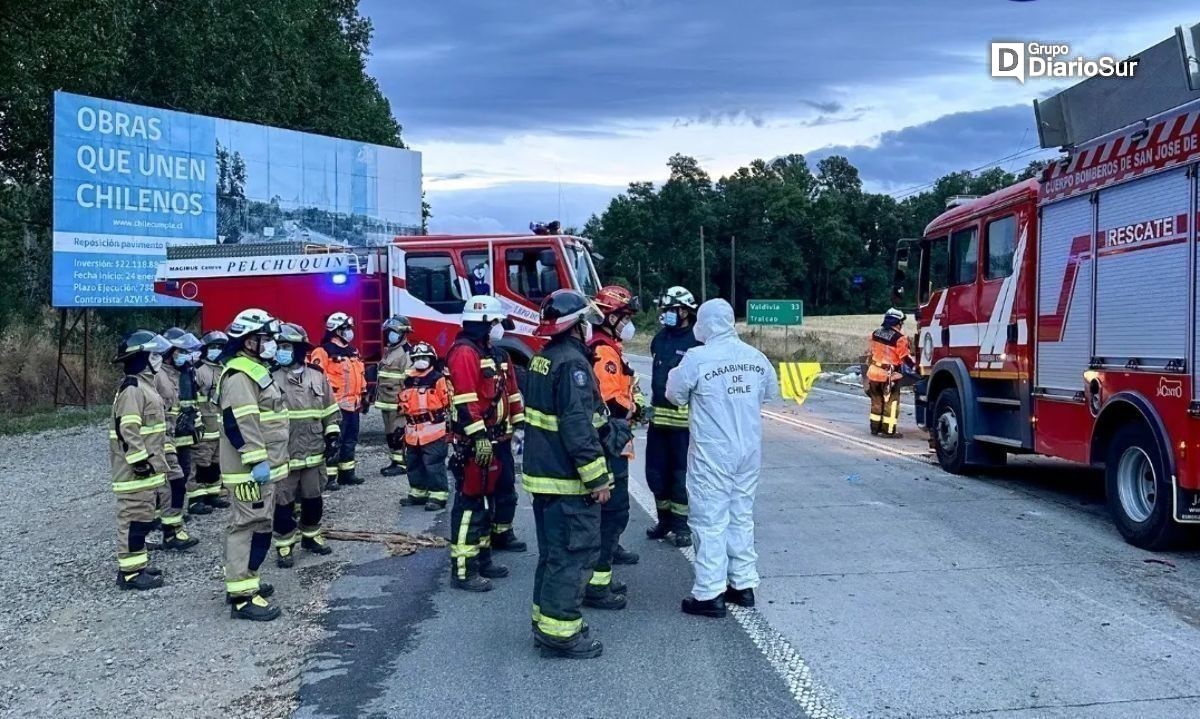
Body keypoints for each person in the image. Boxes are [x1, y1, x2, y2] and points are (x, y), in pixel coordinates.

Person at [666, 299, 777, 618]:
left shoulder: (697, 358)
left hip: (714, 453)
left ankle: (709, 593)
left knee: (709, 520)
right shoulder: (756, 357)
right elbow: (769, 394)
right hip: (748, 451)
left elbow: (674, 395)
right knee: (740, 515)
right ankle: (742, 586)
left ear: (707, 323)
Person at [523, 289, 609, 659]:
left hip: (544, 478)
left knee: (553, 554)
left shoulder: (543, 359)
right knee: (573, 556)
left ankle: (546, 624)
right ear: (577, 325)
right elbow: (578, 427)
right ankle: (562, 635)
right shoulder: (573, 365)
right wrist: (597, 478)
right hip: (567, 481)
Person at [216, 308, 289, 621]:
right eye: (264, 338)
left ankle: (249, 582)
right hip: (249, 470)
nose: (270, 343)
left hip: (263, 466)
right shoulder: (239, 375)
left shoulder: (254, 369)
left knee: (260, 525)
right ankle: (242, 598)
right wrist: (257, 460)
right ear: (248, 341)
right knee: (246, 527)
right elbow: (241, 423)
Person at [444, 295, 517, 591]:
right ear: (484, 323)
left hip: (493, 438)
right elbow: (464, 401)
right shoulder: (464, 353)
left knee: (485, 502)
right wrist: (478, 436)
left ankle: (483, 559)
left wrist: (514, 428)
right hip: (476, 443)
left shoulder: (489, 352)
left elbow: (506, 394)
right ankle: (463, 570)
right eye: (497, 322)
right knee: (469, 504)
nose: (500, 328)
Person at [583, 285, 644, 611]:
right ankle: (597, 584)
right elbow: (609, 403)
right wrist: (631, 410)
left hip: (614, 441)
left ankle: (607, 556)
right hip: (609, 443)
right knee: (612, 512)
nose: (627, 323)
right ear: (609, 316)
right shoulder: (603, 351)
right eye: (624, 317)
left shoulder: (609, 347)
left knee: (613, 513)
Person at [271, 323, 340, 568]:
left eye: (286, 346)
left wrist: (332, 436)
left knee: (313, 499)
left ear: (299, 349)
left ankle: (311, 538)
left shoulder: (317, 376)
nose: (281, 351)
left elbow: (330, 411)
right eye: (279, 346)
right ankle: (284, 546)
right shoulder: (269, 378)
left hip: (314, 453)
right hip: (284, 455)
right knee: (282, 503)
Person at [109, 330, 174, 590]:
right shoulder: (133, 389)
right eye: (154, 355)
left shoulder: (145, 385)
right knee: (134, 520)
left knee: (143, 517)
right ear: (141, 358)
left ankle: (138, 565)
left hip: (145, 471)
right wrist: (139, 462)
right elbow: (128, 429)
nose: (158, 359)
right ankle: (130, 574)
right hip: (134, 473)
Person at [645, 286, 701, 547]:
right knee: (656, 474)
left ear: (684, 311)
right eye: (664, 310)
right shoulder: (660, 338)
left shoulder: (696, 342)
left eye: (670, 310)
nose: (666, 314)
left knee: (679, 478)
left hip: (684, 428)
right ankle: (664, 520)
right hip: (658, 424)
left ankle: (681, 527)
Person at [154, 328, 201, 549]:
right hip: (163, 439)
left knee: (179, 481)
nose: (184, 356)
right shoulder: (158, 375)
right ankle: (171, 532)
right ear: (169, 351)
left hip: (178, 436)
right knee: (173, 483)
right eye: (180, 351)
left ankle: (173, 528)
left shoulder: (180, 372)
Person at [310, 312, 367, 490]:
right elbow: (316, 378)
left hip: (354, 405)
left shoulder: (352, 351)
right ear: (336, 330)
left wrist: (364, 394)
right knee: (334, 441)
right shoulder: (323, 351)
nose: (350, 331)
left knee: (351, 439)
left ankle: (346, 473)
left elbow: (360, 375)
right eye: (346, 328)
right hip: (335, 406)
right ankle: (329, 477)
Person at [397, 341, 451, 511]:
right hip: (412, 432)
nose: (420, 360)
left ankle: (438, 495)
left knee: (433, 464)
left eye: (424, 357)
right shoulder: (408, 380)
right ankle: (418, 493)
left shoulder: (438, 379)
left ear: (431, 359)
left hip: (434, 430)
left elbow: (449, 403)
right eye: (417, 357)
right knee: (413, 463)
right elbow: (401, 405)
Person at [488, 339, 527, 553]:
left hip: (502, 436)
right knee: (482, 491)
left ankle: (503, 532)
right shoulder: (467, 354)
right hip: (482, 438)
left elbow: (512, 392)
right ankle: (483, 539)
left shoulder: (502, 356)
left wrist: (518, 423)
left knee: (506, 486)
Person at [188, 330, 230, 513]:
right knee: (200, 464)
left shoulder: (224, 370)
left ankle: (213, 494)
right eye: (213, 347)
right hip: (203, 428)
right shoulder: (198, 371)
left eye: (220, 347)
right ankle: (196, 499)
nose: (217, 351)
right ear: (205, 349)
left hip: (219, 429)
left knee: (215, 463)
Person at [865, 308, 914, 439]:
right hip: (890, 376)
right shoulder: (900, 339)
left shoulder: (875, 334)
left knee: (876, 401)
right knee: (891, 404)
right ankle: (889, 430)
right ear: (897, 323)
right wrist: (916, 367)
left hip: (873, 373)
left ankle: (875, 428)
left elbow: (870, 353)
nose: (901, 325)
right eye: (901, 323)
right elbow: (905, 358)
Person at [376, 315, 413, 477]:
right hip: (387, 402)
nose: (390, 334)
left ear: (403, 333)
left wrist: (405, 404)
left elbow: (409, 381)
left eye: (394, 331)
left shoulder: (406, 353)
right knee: (390, 434)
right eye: (389, 331)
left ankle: (402, 463)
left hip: (398, 403)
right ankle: (394, 460)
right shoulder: (390, 351)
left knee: (398, 433)